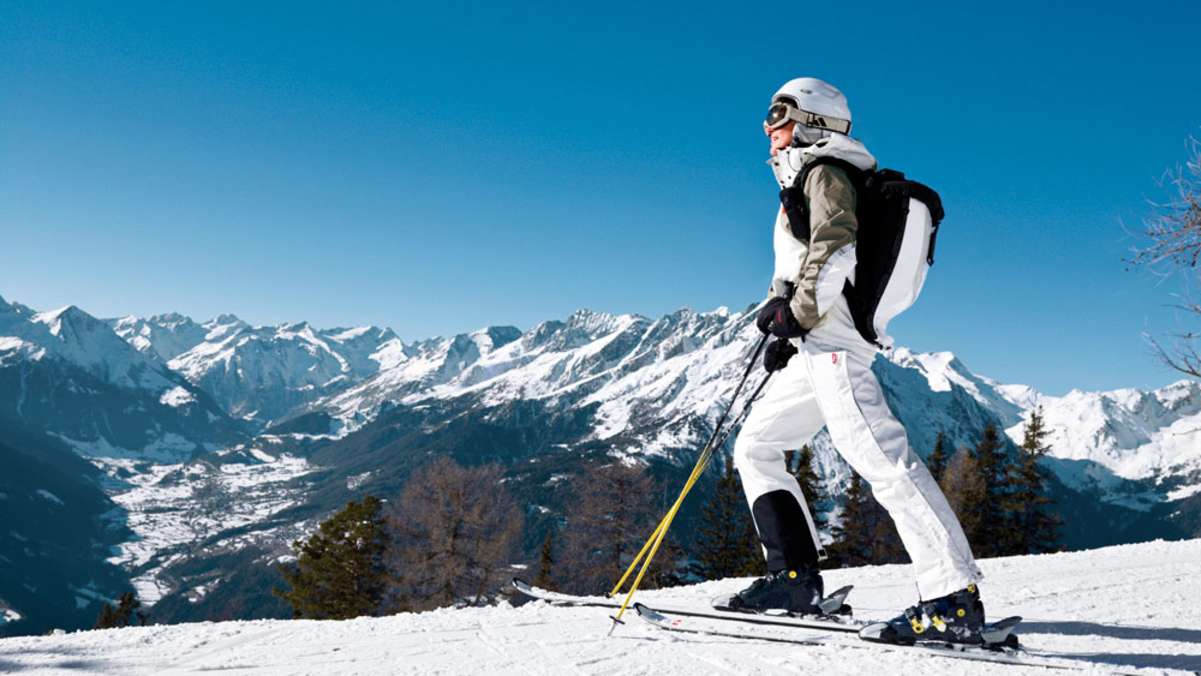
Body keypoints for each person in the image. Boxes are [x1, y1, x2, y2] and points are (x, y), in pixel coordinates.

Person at [727, 77, 987, 646]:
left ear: (814, 122)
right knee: (757, 445)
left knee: (883, 460)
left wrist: (797, 313)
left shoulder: (826, 172)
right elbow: (801, 259)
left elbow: (836, 247)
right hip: (815, 339)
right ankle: (793, 580)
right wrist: (783, 316)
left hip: (834, 341)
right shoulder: (806, 178)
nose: (769, 132)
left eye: (780, 118)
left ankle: (952, 598)